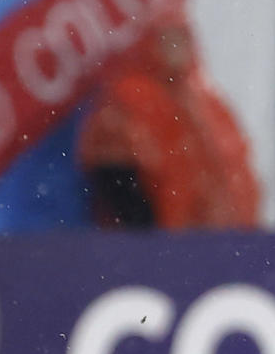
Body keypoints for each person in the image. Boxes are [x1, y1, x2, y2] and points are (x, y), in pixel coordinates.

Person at [77, 17, 261, 229]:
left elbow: (237, 169)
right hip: (164, 240)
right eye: (167, 40)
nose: (176, 49)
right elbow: (114, 169)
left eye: (181, 40)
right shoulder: (130, 95)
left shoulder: (205, 101)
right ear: (148, 43)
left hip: (216, 237)